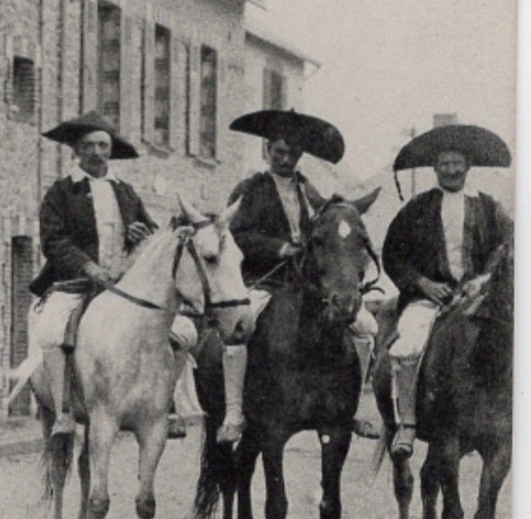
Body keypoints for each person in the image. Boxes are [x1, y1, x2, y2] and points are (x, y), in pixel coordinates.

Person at [29, 111, 198, 437]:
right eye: (89, 145)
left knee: (184, 332)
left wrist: (142, 234)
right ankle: (63, 412)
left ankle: (167, 403)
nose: (96, 152)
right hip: (75, 285)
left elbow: (154, 240)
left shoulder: (125, 192)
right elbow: (53, 240)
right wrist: (87, 266)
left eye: (103, 145)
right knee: (51, 331)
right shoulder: (61, 192)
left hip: (125, 290)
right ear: (76, 150)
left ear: (111, 149)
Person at [218, 109, 378, 444]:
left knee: (365, 325)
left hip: (308, 287)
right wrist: (280, 249)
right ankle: (234, 412)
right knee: (240, 329)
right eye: (279, 152)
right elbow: (237, 236)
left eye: (293, 154)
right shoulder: (251, 188)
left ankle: (351, 406)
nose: (286, 160)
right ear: (268, 152)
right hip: (264, 281)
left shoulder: (312, 192)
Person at [382, 122, 513, 461]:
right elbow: (393, 254)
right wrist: (423, 283)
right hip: (429, 299)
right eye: (444, 163)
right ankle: (408, 423)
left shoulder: (489, 206)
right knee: (408, 343)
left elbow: (506, 246)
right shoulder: (417, 208)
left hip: (478, 299)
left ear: (468, 166)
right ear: (435, 168)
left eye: (457, 163)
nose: (451, 169)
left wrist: (482, 279)